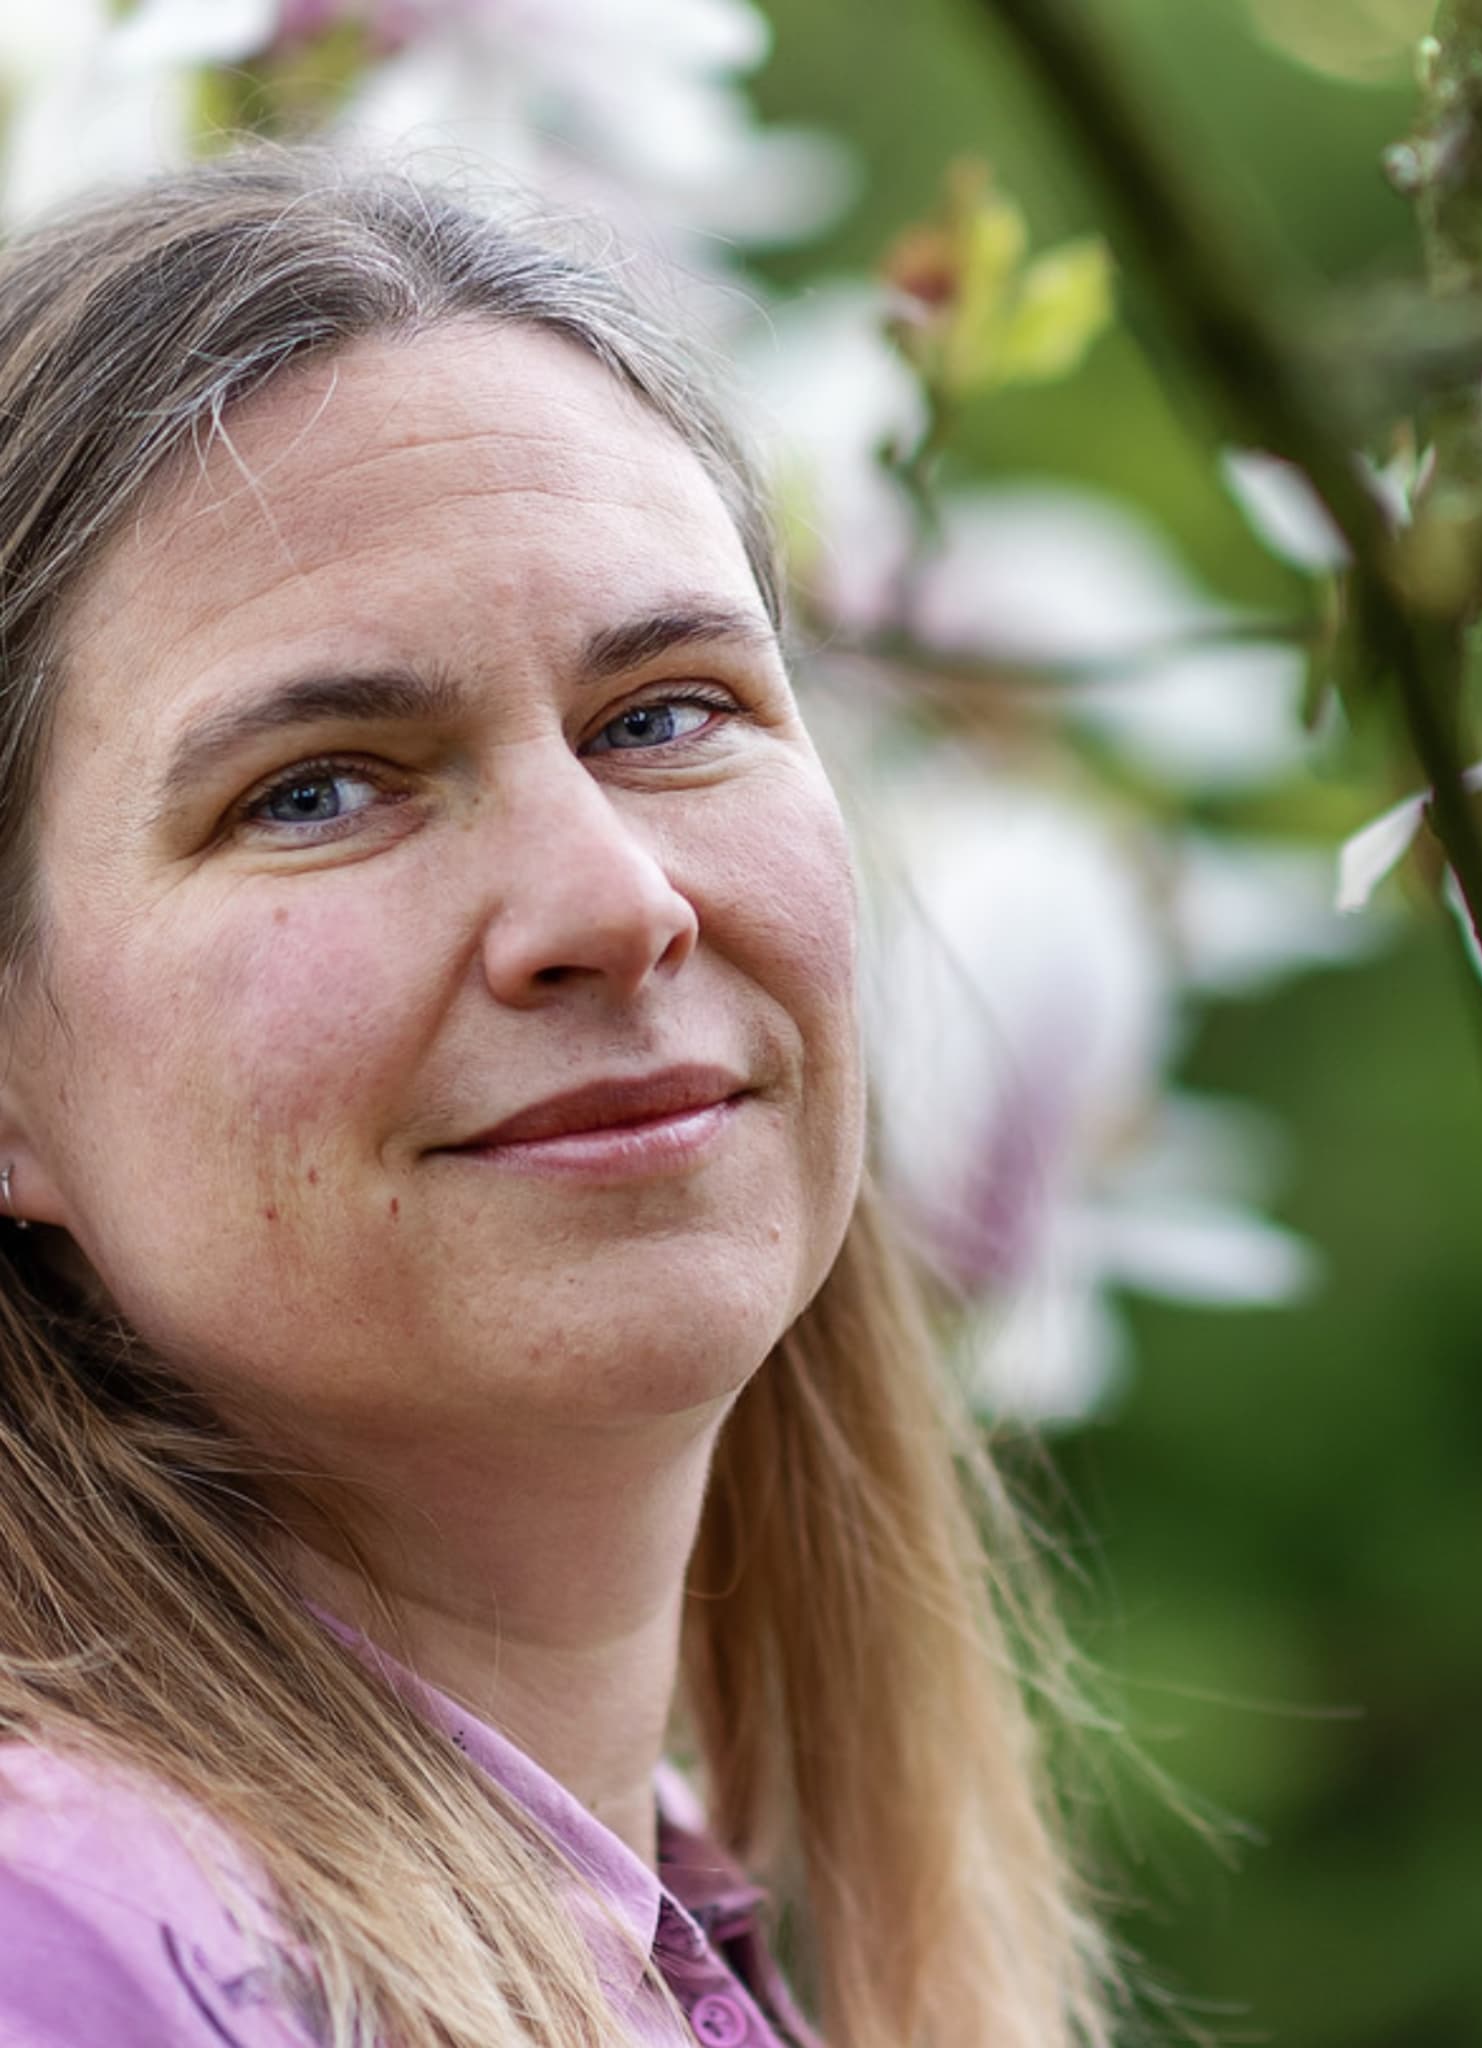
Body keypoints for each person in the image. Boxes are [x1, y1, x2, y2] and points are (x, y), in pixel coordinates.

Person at [0, 150, 1115, 2048]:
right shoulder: (75, 1948)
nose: (616, 901)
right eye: (319, 787)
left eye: (666, 714)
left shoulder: (663, 1924)